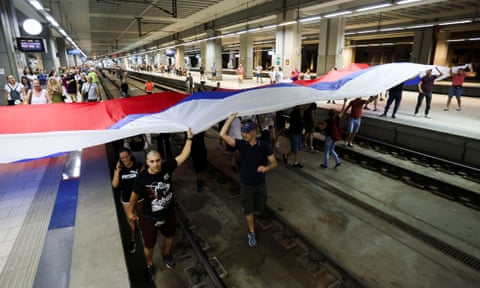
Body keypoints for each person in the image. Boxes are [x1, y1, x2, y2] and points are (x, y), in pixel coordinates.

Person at [126, 128, 193, 280]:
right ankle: (149, 264)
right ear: (147, 162)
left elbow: (183, 156)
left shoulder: (167, 166)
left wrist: (189, 139)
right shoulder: (142, 178)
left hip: (169, 213)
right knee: (149, 244)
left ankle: (166, 254)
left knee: (170, 236)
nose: (156, 164)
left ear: (161, 160)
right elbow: (134, 196)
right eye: (152, 162)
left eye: (158, 161)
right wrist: (130, 212)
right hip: (149, 217)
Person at [220, 115, 277, 248]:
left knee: (260, 208)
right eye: (243, 132)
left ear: (254, 133)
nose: (244, 134)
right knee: (248, 210)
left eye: (246, 132)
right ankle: (251, 232)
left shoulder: (264, 146)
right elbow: (222, 134)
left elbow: (274, 163)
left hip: (260, 184)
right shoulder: (241, 144)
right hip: (246, 184)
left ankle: (251, 211)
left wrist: (267, 167)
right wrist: (230, 118)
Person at [111, 147, 144, 254]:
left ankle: (144, 232)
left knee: (142, 215)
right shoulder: (120, 169)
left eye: (126, 157)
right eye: (122, 158)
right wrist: (117, 171)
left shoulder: (138, 166)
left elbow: (144, 179)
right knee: (130, 220)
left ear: (130, 155)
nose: (125, 159)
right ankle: (133, 239)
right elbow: (115, 185)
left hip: (139, 197)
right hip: (126, 199)